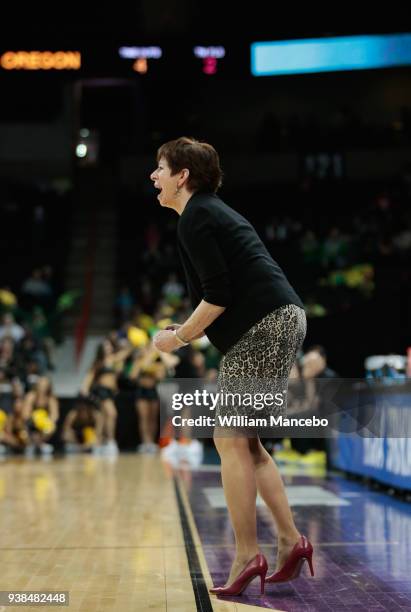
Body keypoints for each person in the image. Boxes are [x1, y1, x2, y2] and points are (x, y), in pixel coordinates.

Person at [150, 137, 313, 596]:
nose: (153, 176)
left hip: (263, 327)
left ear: (183, 176)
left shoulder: (197, 215)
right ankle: (289, 539)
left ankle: (246, 555)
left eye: (160, 168)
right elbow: (223, 291)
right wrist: (185, 330)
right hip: (280, 320)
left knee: (228, 438)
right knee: (248, 444)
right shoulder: (208, 213)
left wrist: (176, 337)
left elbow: (217, 296)